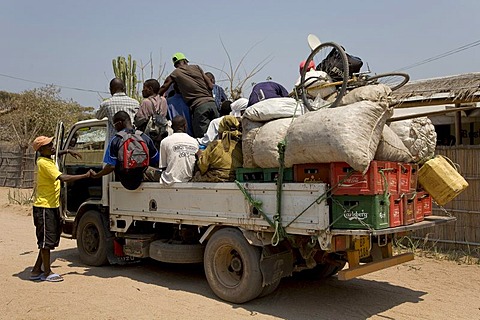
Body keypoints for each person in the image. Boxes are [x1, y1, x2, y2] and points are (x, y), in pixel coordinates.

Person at [30, 136, 93, 282]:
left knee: (48, 240)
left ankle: (36, 270)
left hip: (51, 206)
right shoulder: (44, 164)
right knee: (45, 241)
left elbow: (55, 153)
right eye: (49, 145)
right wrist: (85, 175)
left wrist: (67, 151)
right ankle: (47, 272)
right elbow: (63, 178)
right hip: (44, 207)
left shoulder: (46, 158)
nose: (53, 146)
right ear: (41, 150)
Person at [92, 111, 159, 190]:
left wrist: (97, 175)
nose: (115, 128)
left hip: (124, 182)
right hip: (141, 179)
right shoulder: (144, 137)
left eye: (114, 125)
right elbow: (155, 159)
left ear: (120, 123)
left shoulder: (116, 140)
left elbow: (111, 166)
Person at [158, 52, 219, 138]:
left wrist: (156, 96)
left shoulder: (176, 73)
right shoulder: (197, 67)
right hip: (212, 104)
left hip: (200, 107)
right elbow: (210, 86)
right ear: (186, 61)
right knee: (216, 135)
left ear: (175, 65)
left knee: (202, 138)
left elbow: (164, 86)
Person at [193, 115, 242, 182]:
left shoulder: (215, 145)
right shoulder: (240, 144)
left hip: (216, 178)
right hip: (236, 178)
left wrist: (199, 155)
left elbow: (203, 167)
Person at [159, 116, 199, 185]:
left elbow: (163, 167)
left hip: (170, 181)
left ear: (171, 127)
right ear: (185, 126)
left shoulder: (165, 142)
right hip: (189, 181)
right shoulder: (194, 142)